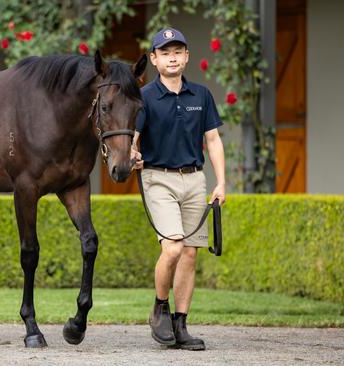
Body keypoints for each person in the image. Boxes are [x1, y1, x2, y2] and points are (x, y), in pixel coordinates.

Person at [131, 27, 226, 351]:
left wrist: (220, 182)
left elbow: (212, 140)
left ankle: (181, 325)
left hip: (195, 178)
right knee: (172, 247)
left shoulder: (201, 95)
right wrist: (133, 155)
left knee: (189, 254)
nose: (172, 57)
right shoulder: (144, 98)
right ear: (154, 60)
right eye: (165, 53)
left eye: (178, 52)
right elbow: (133, 138)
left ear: (186, 57)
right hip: (158, 178)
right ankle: (160, 307)